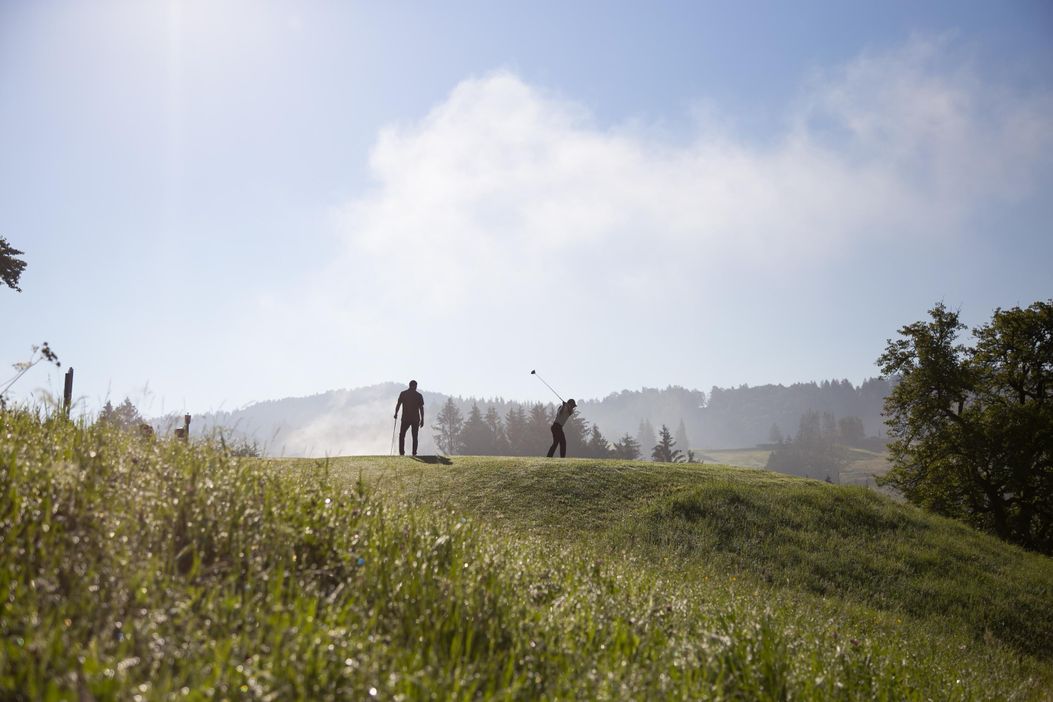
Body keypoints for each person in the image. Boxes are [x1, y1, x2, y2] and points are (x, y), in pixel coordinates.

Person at [394, 380, 425, 456]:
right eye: (416, 386)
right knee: (414, 436)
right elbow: (421, 408)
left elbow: (398, 404)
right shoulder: (418, 395)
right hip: (415, 419)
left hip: (405, 418)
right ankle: (414, 453)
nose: (416, 388)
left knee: (402, 435)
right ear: (414, 386)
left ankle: (402, 452)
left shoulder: (403, 394)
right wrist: (422, 419)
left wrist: (396, 413)